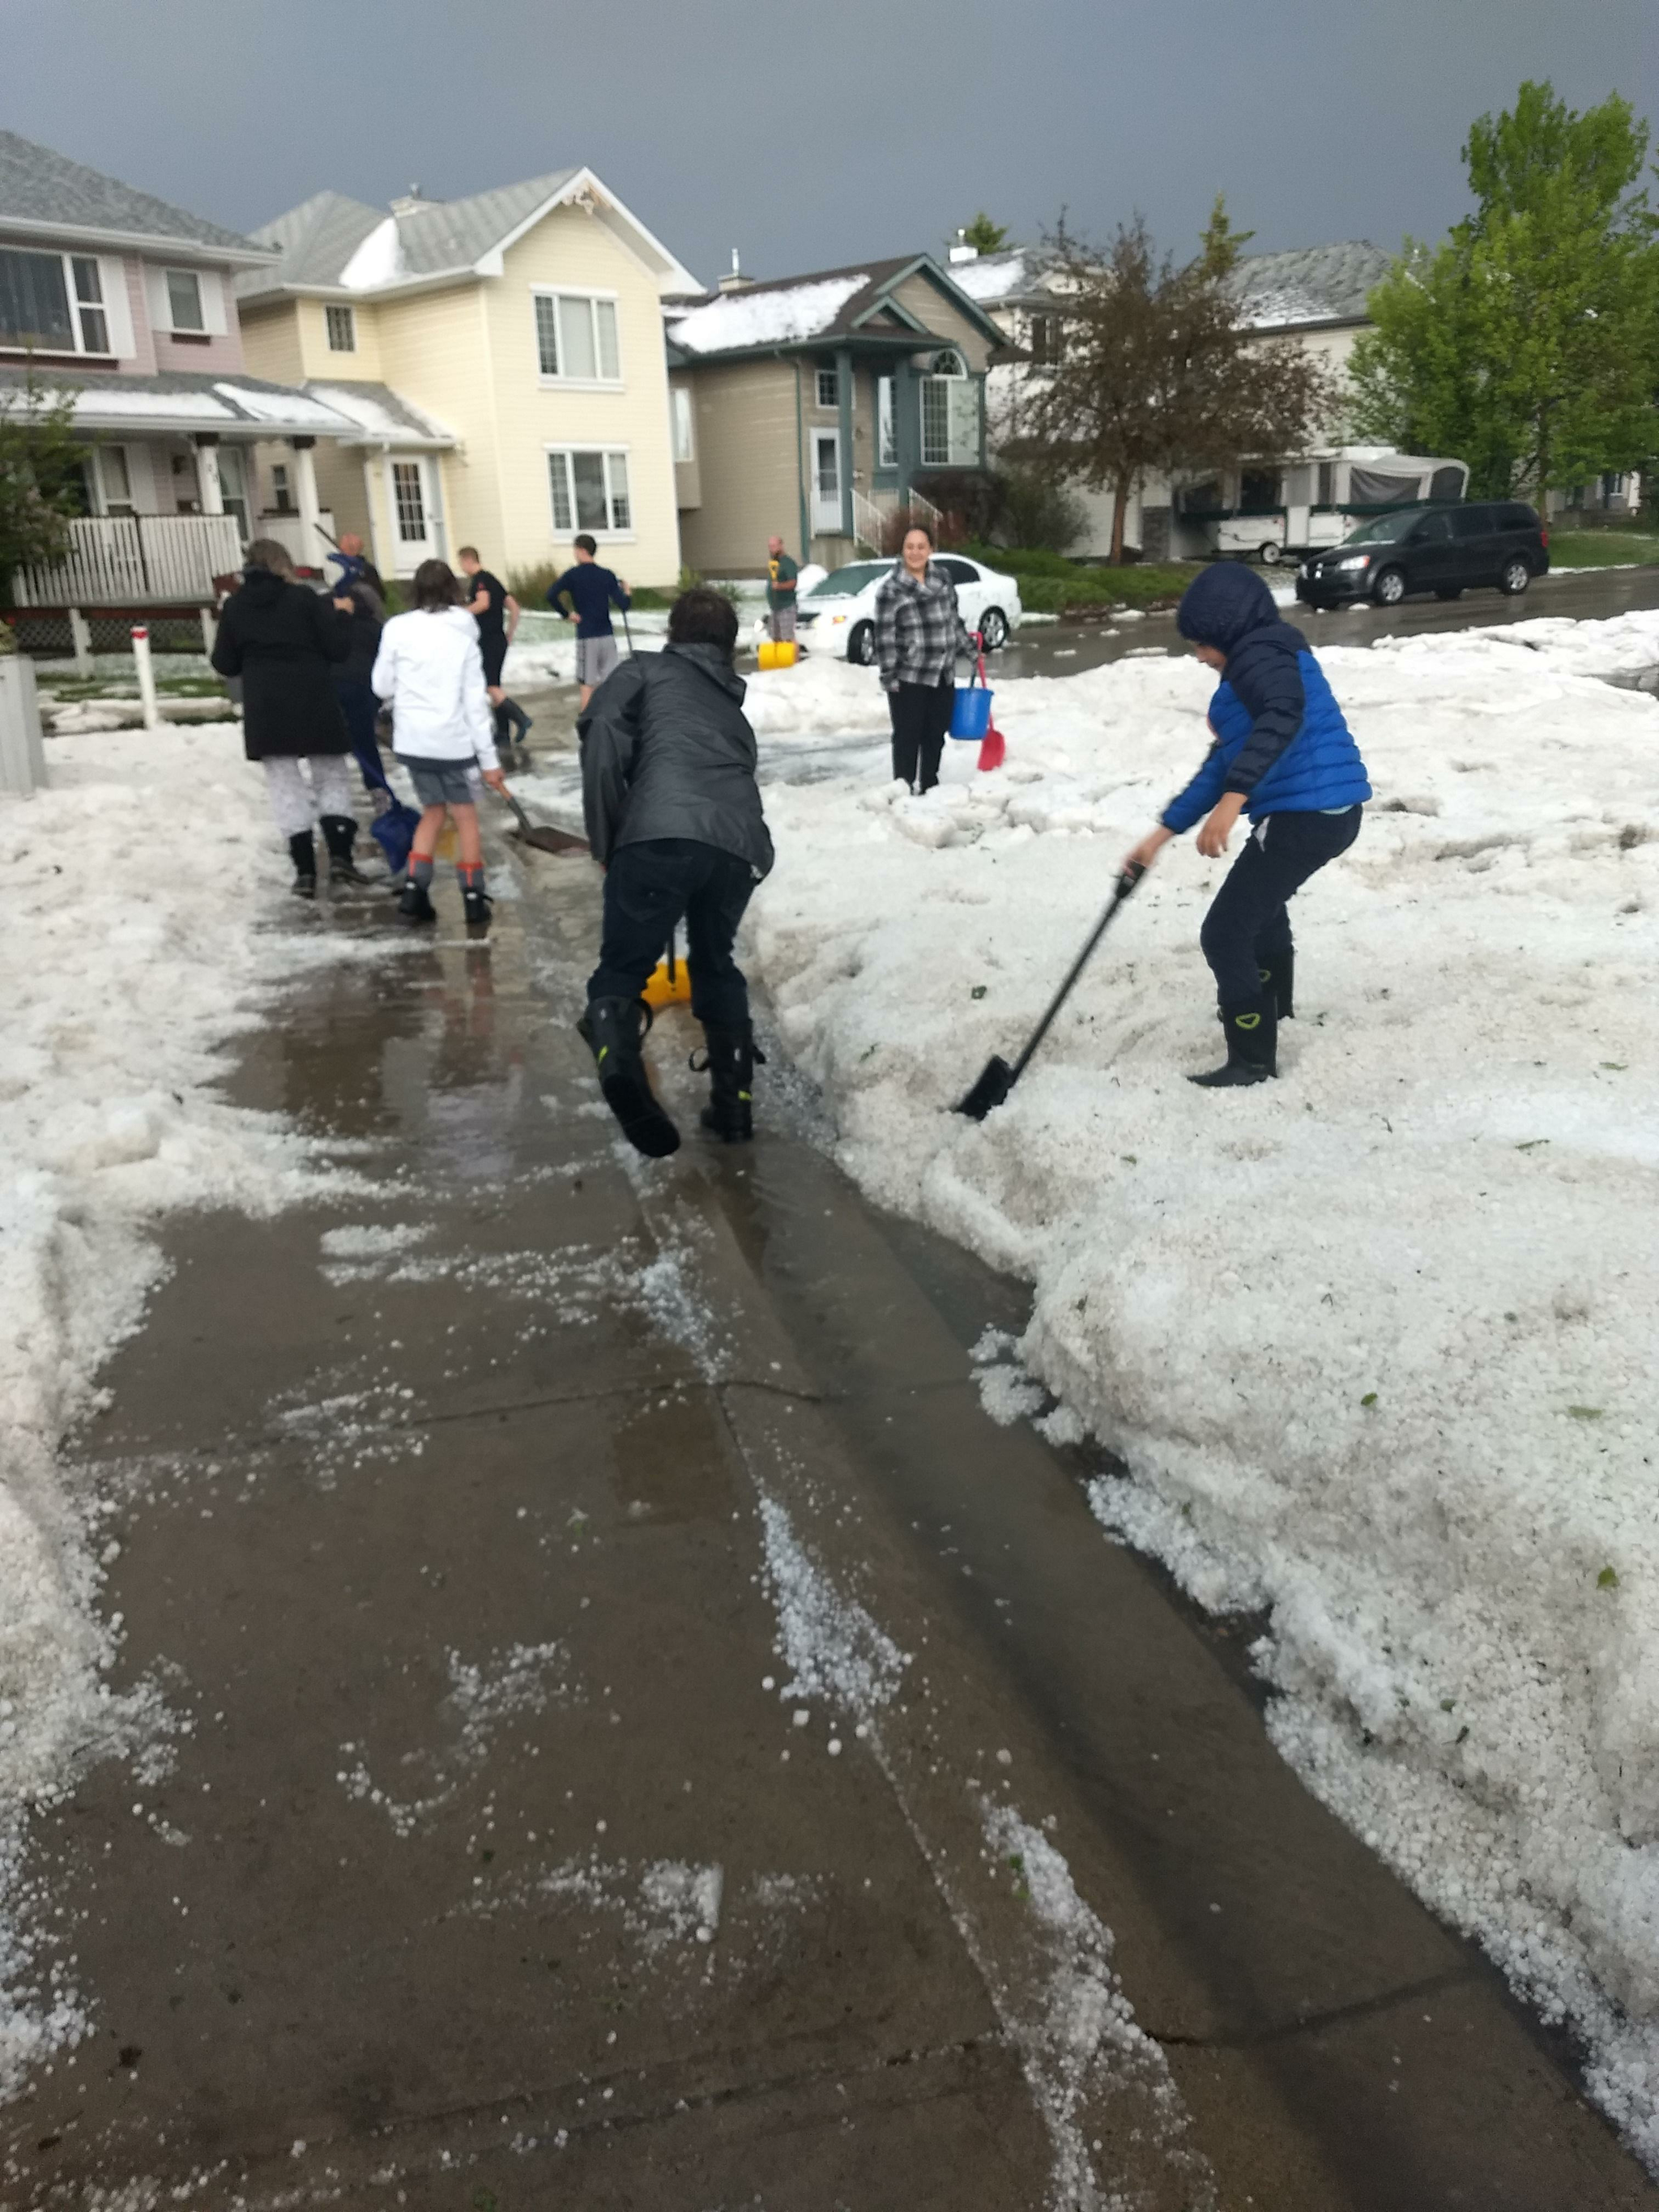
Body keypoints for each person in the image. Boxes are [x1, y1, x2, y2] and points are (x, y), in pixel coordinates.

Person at [1123, 562, 1371, 1087]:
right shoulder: (1250, 676)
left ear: (1228, 631)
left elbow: (1285, 713)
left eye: (1203, 643)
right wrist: (1160, 835)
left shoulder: (1263, 658)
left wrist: (1235, 801)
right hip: (1327, 811)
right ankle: (1270, 1006)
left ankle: (1252, 1058)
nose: (1199, 654)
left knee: (1224, 931)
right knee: (1261, 907)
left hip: (1307, 813)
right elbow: (1219, 767)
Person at [577, 586, 774, 1158]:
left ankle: (622, 1071)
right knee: (715, 962)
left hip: (659, 836)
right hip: (737, 848)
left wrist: (607, 840)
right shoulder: (731, 709)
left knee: (619, 972)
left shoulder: (642, 670)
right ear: (728, 647)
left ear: (672, 632)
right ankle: (734, 1105)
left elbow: (603, 743)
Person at [211, 538, 358, 897]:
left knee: (284, 786)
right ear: (283, 563)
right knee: (330, 775)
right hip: (313, 696)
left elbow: (223, 662)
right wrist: (341, 616)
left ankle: (305, 871)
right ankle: (340, 857)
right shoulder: (304, 598)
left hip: (266, 705)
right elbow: (336, 649)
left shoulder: (235, 607)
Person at [370, 558, 509, 931]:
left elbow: (381, 687)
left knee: (433, 812)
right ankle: (474, 898)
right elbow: (474, 705)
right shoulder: (464, 636)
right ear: (453, 590)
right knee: (464, 816)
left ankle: (415, 893)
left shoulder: (397, 629)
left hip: (414, 742)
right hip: (453, 744)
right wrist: (490, 760)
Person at [873, 522, 973, 794]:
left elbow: (953, 620)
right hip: (909, 676)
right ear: (902, 550)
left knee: (935, 734)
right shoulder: (891, 590)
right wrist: (889, 676)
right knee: (907, 736)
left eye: (921, 546)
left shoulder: (942, 578)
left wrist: (969, 649)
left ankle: (930, 783)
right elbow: (884, 637)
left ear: (931, 549)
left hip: (943, 672)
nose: (915, 552)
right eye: (909, 547)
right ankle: (903, 787)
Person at [456, 544, 532, 751]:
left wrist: (461, 612)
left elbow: (483, 604)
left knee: (490, 686)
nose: (461, 567)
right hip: (498, 639)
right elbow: (514, 607)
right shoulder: (493, 579)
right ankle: (503, 733)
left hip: (488, 640)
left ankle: (520, 718)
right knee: (494, 684)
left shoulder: (480, 580)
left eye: (461, 563)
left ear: (467, 560)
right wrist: (510, 633)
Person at [548, 535, 630, 711]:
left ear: (581, 550)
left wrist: (567, 614)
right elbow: (624, 605)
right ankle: (610, 724)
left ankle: (587, 728)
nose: (574, 554)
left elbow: (551, 595)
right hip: (607, 636)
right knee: (609, 683)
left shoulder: (573, 575)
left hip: (587, 636)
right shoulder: (607, 575)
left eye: (575, 550)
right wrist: (628, 592)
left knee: (587, 684)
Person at [327, 531, 385, 603]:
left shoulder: (365, 570)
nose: (340, 549)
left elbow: (378, 595)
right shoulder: (368, 568)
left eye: (342, 546)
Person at [764, 535, 799, 649]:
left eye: (774, 546)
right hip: (775, 606)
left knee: (788, 637)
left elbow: (793, 582)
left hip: (786, 606)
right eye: (770, 546)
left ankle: (795, 662)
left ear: (781, 546)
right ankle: (780, 662)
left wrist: (779, 586)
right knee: (775, 637)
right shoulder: (773, 563)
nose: (771, 549)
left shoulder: (788, 563)